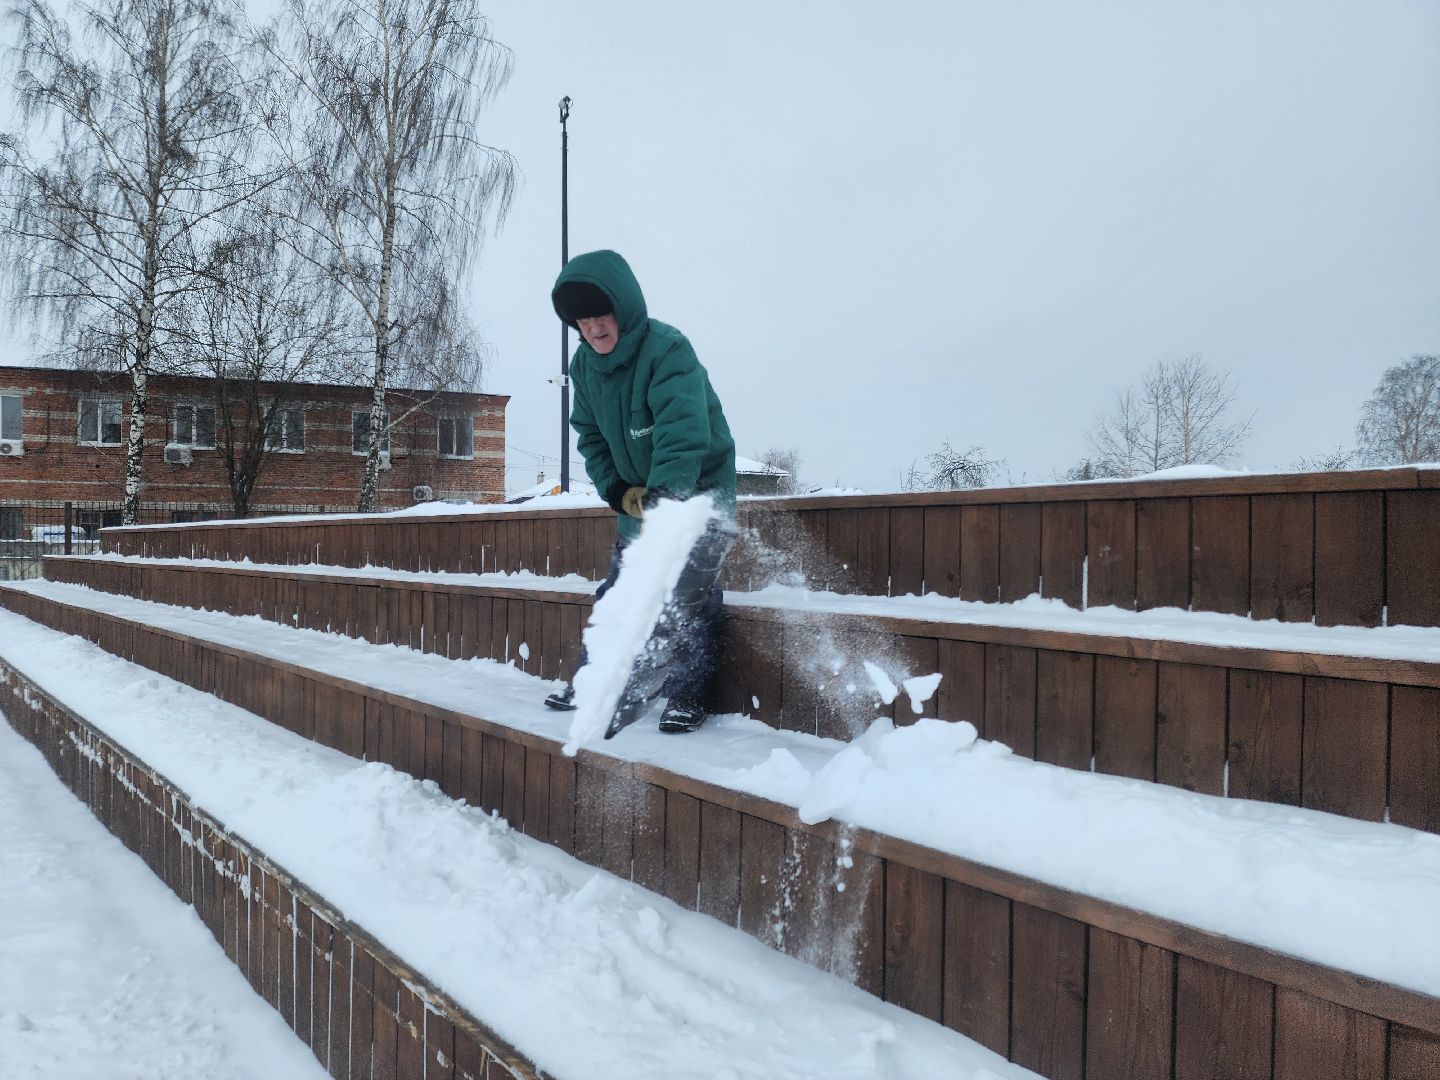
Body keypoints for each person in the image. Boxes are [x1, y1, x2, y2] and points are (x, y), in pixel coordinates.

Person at [544, 249, 737, 733]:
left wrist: (667, 497)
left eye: (600, 314)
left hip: (698, 496)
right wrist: (614, 489)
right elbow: (588, 434)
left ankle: (687, 695)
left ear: (624, 308)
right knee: (619, 591)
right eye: (582, 320)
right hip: (640, 502)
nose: (593, 328)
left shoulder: (668, 351)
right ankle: (595, 683)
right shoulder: (584, 367)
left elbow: (683, 430)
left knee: (689, 598)